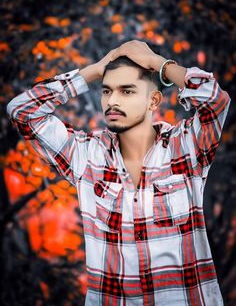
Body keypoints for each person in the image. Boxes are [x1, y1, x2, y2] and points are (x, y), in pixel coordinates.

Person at [6, 40, 230, 305]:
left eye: (127, 91)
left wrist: (157, 64)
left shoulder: (185, 147)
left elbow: (215, 100)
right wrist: (94, 70)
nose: (112, 101)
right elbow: (22, 111)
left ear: (153, 100)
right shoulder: (86, 156)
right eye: (106, 91)